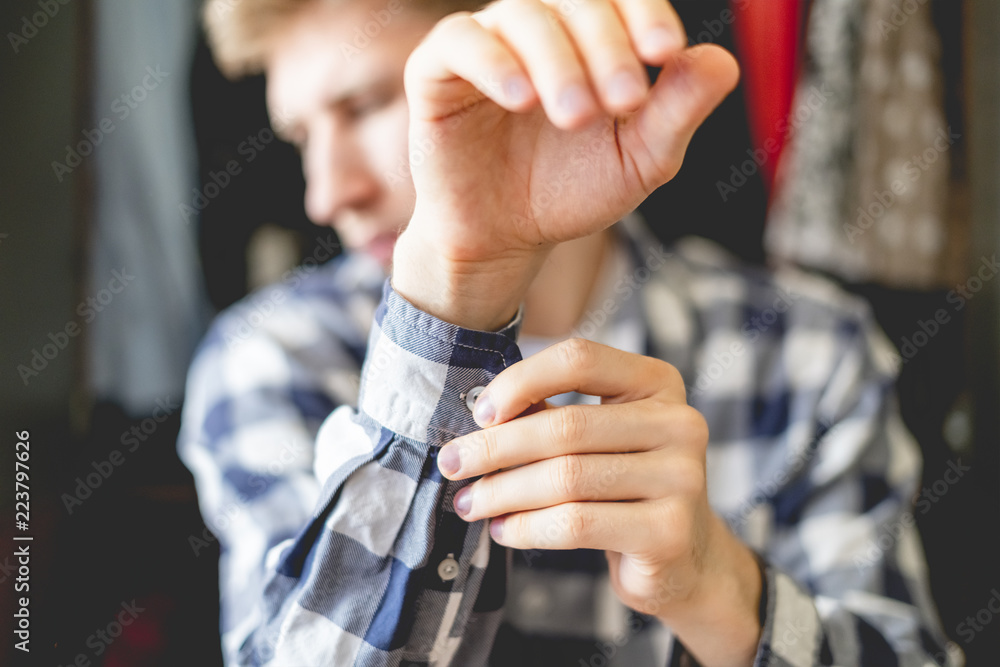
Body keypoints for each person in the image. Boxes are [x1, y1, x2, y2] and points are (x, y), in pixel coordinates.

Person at [178, 0, 962, 664]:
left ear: (526, 51)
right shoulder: (270, 356)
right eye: (302, 136)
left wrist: (722, 588)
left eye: (366, 104)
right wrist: (454, 295)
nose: (326, 194)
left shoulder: (808, 347)